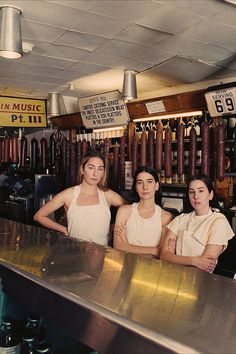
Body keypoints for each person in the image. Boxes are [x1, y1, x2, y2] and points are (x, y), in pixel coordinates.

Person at [34, 150, 126, 246]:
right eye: (91, 168)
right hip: (75, 253)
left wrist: (115, 227)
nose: (95, 174)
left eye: (100, 169)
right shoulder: (69, 194)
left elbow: (131, 210)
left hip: (102, 254)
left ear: (103, 172)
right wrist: (63, 229)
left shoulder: (108, 195)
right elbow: (39, 216)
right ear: (82, 169)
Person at [160, 173, 234, 272]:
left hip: (201, 281)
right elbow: (164, 256)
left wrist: (175, 258)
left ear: (210, 195)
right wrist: (194, 260)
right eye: (192, 192)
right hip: (174, 278)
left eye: (201, 191)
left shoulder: (218, 221)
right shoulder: (180, 219)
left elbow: (206, 264)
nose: (196, 196)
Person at [114, 166, 172, 257]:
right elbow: (118, 246)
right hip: (126, 266)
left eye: (149, 181)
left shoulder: (165, 217)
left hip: (152, 269)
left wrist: (127, 246)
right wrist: (153, 250)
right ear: (136, 187)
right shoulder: (124, 211)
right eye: (140, 182)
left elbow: (162, 253)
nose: (145, 187)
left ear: (156, 186)